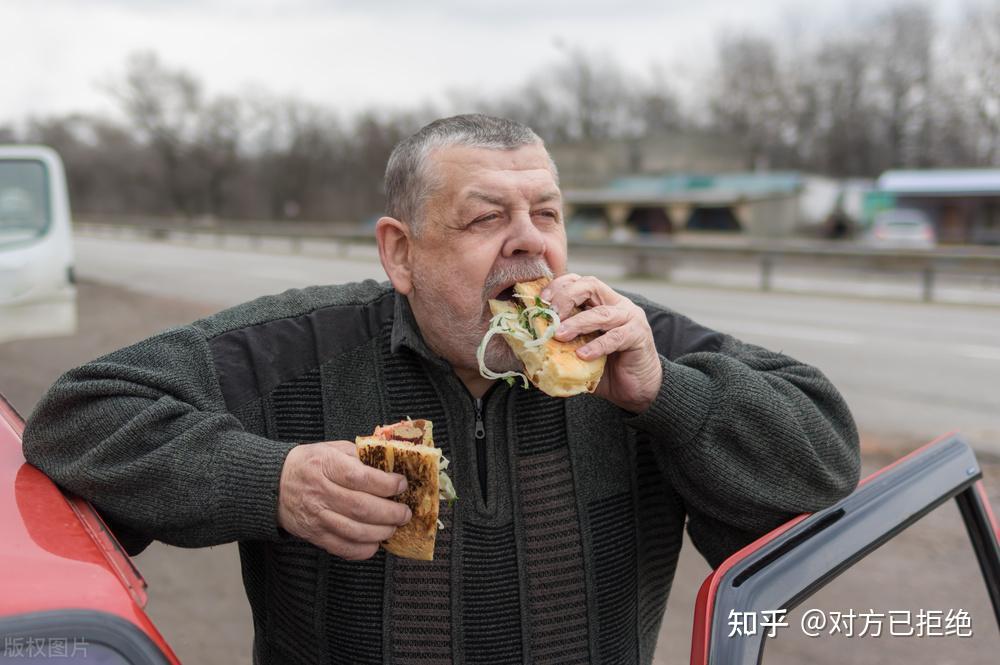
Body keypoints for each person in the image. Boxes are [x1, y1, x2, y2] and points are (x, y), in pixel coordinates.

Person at [22, 114, 860, 665]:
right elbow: (79, 415)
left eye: (548, 214)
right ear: (400, 253)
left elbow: (823, 458)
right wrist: (270, 481)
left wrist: (667, 393)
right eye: (485, 218)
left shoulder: (629, 348)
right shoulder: (296, 346)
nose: (529, 244)